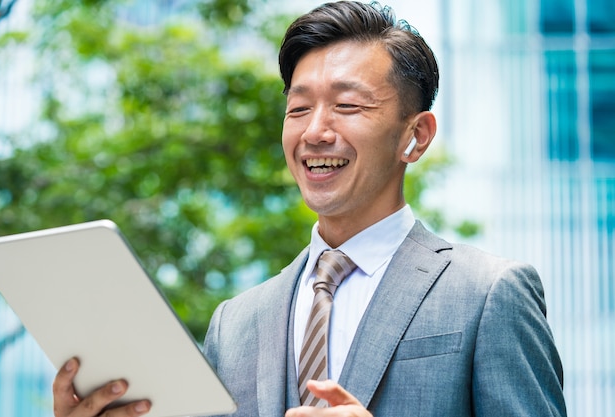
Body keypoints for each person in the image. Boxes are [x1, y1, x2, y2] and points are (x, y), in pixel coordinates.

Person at [52, 1, 567, 416]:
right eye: (298, 108)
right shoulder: (236, 323)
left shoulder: (488, 293)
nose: (315, 131)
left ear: (416, 136)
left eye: (347, 106)